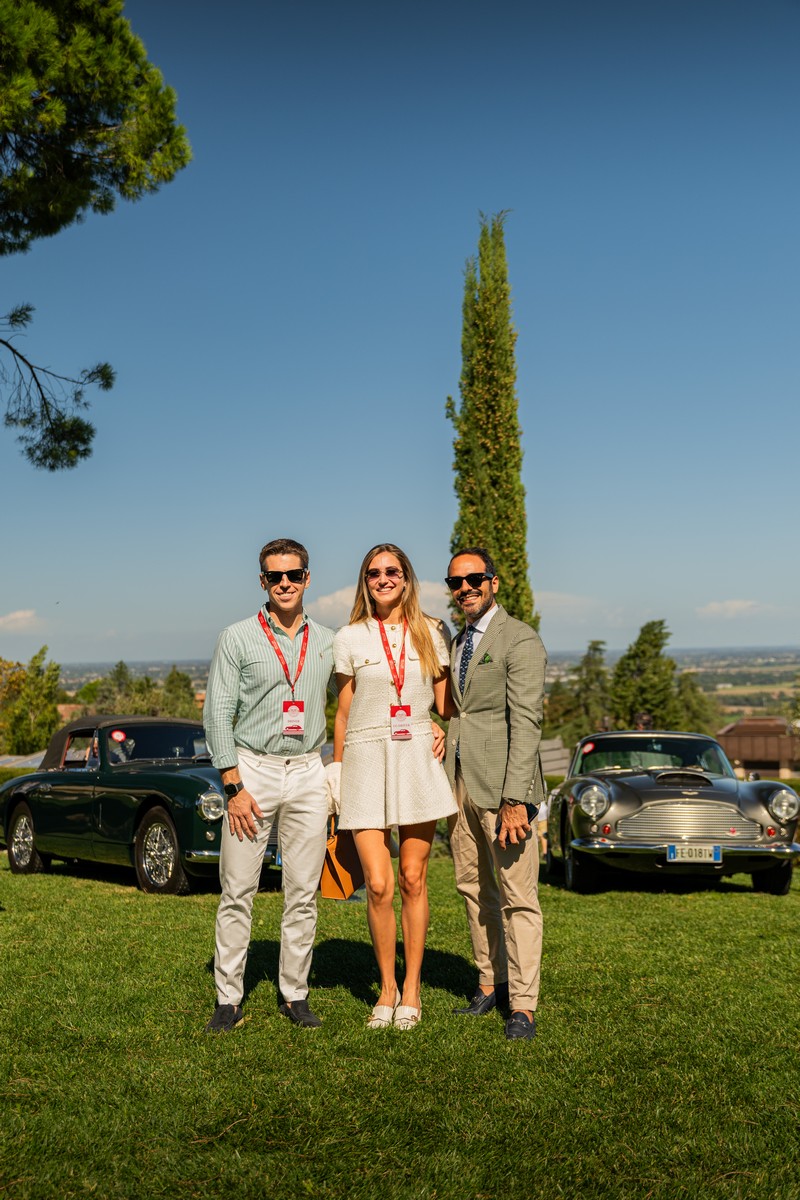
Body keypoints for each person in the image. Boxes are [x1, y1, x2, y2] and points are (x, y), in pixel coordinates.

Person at [203, 537, 335, 1033]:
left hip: (307, 769)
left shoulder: (327, 639)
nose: (285, 583)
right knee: (238, 889)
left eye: (294, 575)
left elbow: (354, 702)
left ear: (307, 578)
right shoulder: (236, 637)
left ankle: (294, 994)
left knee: (302, 892)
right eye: (275, 576)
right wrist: (233, 787)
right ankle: (229, 997)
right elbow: (217, 712)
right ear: (262, 581)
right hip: (252, 769)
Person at [331, 543, 456, 1031]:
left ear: (406, 578)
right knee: (378, 886)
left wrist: (440, 727)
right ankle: (385, 990)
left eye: (393, 571)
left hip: (415, 757)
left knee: (412, 878)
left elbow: (445, 707)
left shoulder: (432, 632)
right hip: (364, 759)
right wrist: (337, 772)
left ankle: (412, 990)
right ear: (365, 581)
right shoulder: (349, 637)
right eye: (374, 572)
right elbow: (343, 712)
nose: (384, 578)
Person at [443, 547, 547, 1041]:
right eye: (456, 582)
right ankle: (490, 981)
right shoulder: (460, 641)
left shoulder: (520, 640)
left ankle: (523, 1006)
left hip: (506, 791)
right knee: (472, 887)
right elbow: (459, 711)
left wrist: (513, 799)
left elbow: (526, 724)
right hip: (460, 784)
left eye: (474, 579)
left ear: (494, 583)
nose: (465, 588)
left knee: (517, 897)